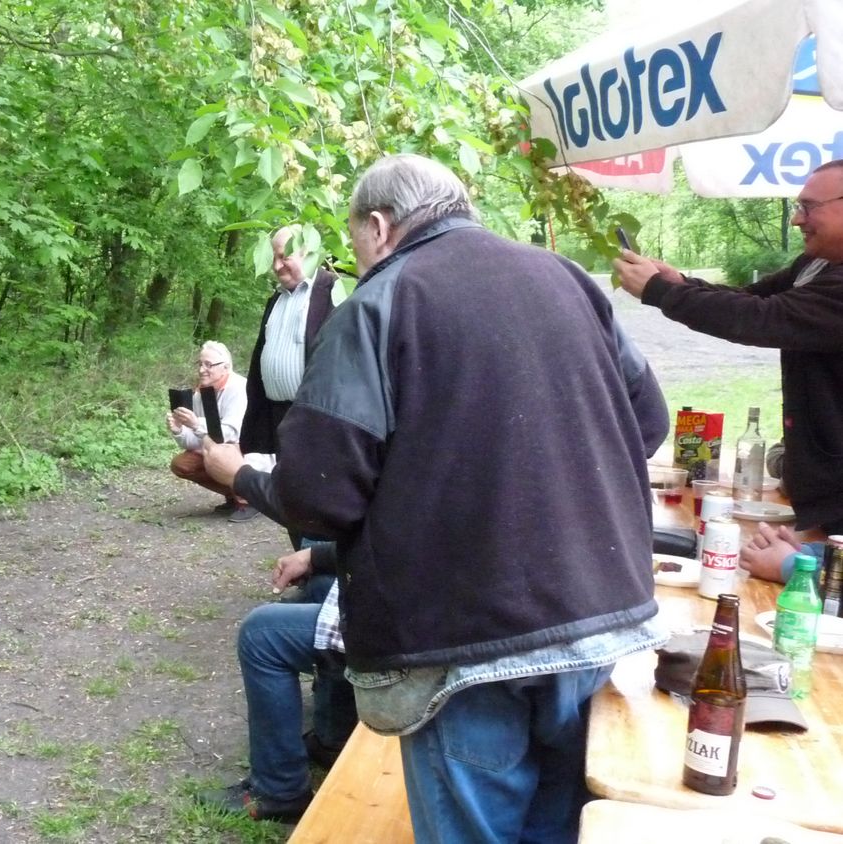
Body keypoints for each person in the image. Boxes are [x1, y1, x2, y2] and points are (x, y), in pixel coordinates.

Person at [202, 154, 670, 841]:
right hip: (597, 622)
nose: (357, 258)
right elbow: (649, 424)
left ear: (379, 225)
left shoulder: (378, 304)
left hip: (464, 643)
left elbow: (318, 496)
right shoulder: (565, 277)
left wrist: (239, 476)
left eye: (355, 239)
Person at [613, 159, 843, 547]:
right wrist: (679, 283)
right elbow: (750, 298)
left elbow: (763, 318)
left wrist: (659, 292)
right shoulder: (817, 264)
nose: (796, 219)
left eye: (808, 207)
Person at [200, 544, 357, 823]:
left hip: (415, 635)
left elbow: (384, 543)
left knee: (262, 634)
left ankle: (280, 792)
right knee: (322, 583)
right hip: (422, 601)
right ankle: (332, 740)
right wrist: (314, 557)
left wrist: (314, 553)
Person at [238, 225, 339, 537]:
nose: (277, 265)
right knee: (290, 497)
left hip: (316, 418)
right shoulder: (276, 299)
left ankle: (320, 560)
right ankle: (303, 555)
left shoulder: (334, 291)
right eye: (273, 258)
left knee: (317, 497)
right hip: (279, 416)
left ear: (307, 252)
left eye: (284, 257)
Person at [167, 341, 254, 519]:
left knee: (218, 454)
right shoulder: (201, 393)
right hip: (218, 449)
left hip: (247, 450)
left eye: (208, 365)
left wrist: (196, 423)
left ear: (225, 367)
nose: (201, 370)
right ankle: (233, 496)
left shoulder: (239, 389)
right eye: (200, 364)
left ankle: (250, 499)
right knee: (182, 464)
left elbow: (231, 433)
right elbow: (197, 439)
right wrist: (179, 430)